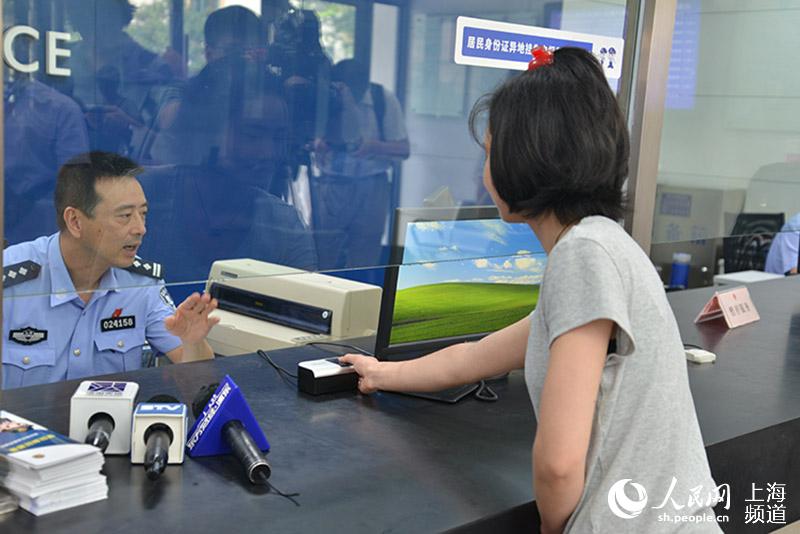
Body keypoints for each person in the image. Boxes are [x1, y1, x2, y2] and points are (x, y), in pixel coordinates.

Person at [341, 48, 721, 533]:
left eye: (489, 153)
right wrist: (381, 374)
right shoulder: (604, 244)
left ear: (524, 159)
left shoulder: (582, 256)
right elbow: (473, 358)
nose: (484, 173)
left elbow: (558, 465)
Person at [2, 151, 219, 390]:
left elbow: (199, 384)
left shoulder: (140, 284)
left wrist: (193, 342)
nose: (140, 229)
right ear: (75, 221)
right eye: (125, 216)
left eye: (143, 214)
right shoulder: (10, 280)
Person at [311, 59, 410, 269]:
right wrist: (318, 142)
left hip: (372, 186)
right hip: (331, 185)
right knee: (321, 253)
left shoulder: (382, 98)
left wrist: (373, 147)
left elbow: (403, 149)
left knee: (365, 256)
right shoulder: (326, 97)